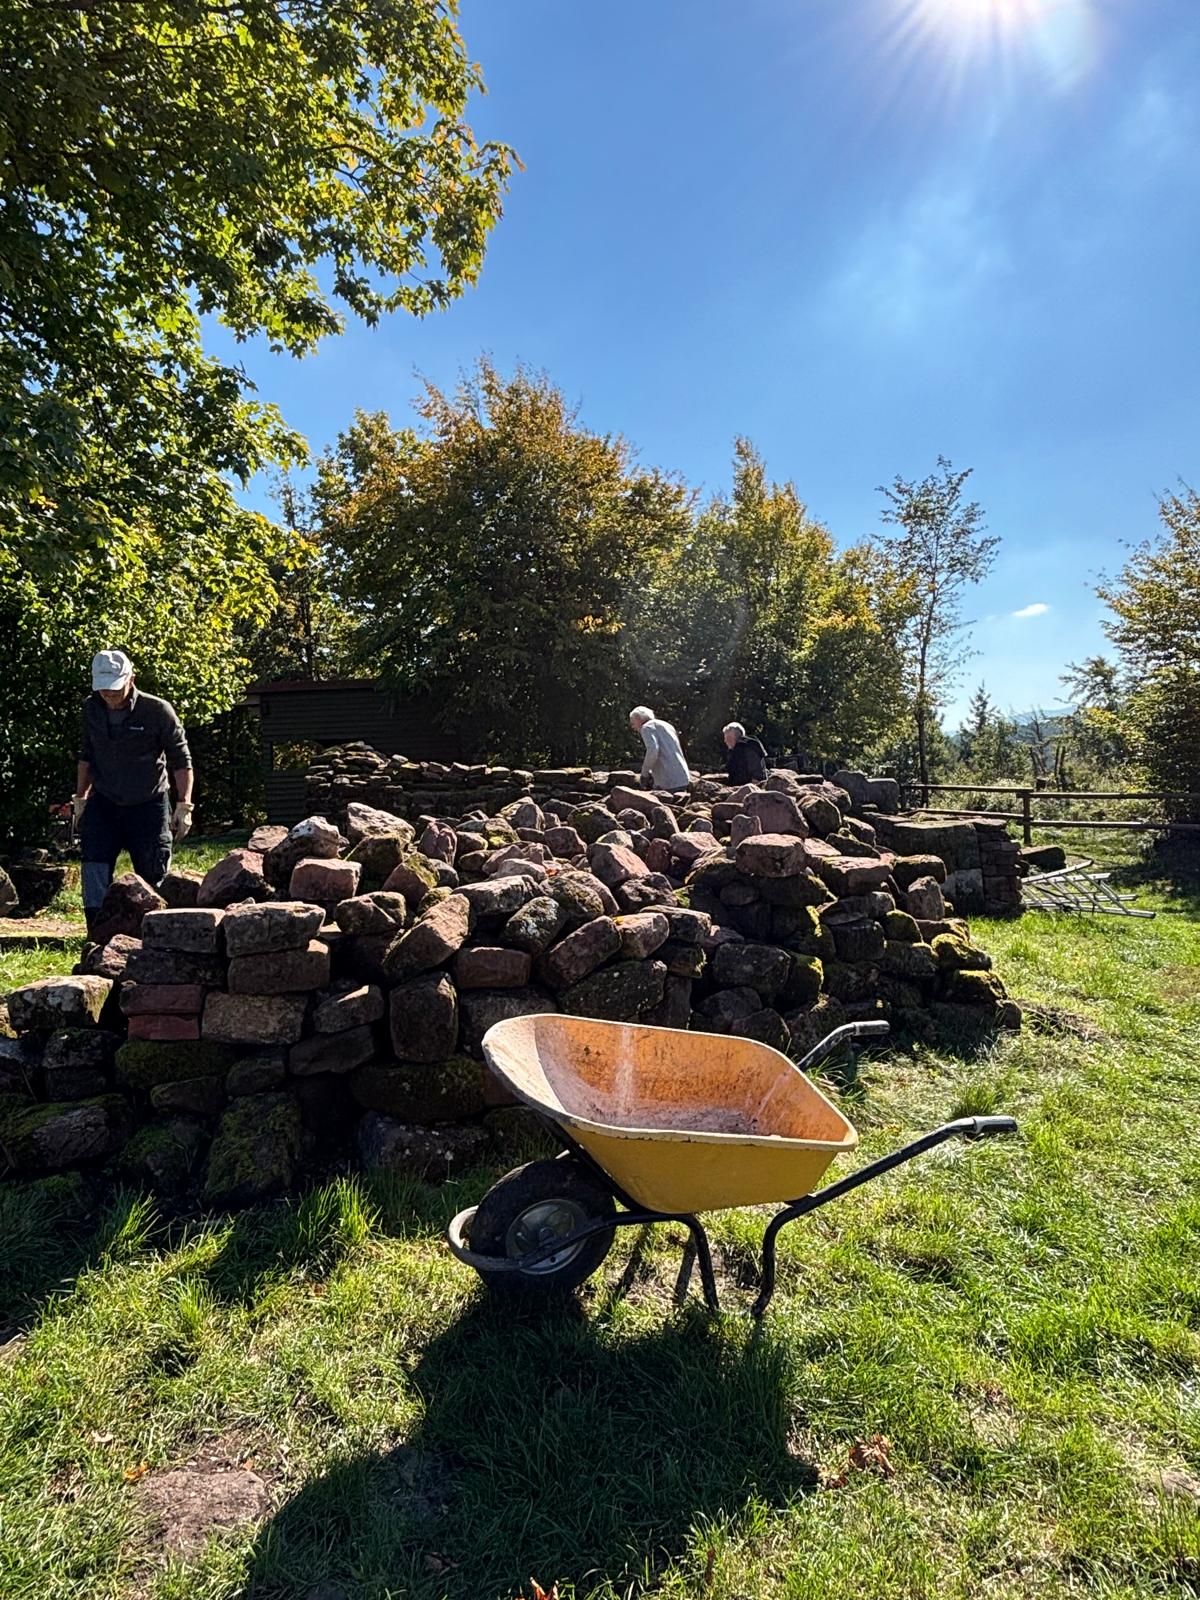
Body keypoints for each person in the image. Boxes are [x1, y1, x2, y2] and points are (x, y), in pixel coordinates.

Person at [74, 650, 194, 933]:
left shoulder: (157, 711)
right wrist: (80, 798)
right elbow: (87, 755)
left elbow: (181, 759)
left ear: (131, 679)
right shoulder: (91, 709)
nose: (109, 694)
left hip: (148, 803)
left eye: (115, 688)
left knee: (153, 872)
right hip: (104, 801)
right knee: (93, 863)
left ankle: (155, 933)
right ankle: (97, 932)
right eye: (103, 688)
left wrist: (184, 805)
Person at [629, 706, 691, 792]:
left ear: (639, 718)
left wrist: (644, 774)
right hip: (682, 777)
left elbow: (652, 751)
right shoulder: (667, 725)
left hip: (668, 781)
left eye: (633, 722)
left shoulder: (647, 727)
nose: (633, 726)